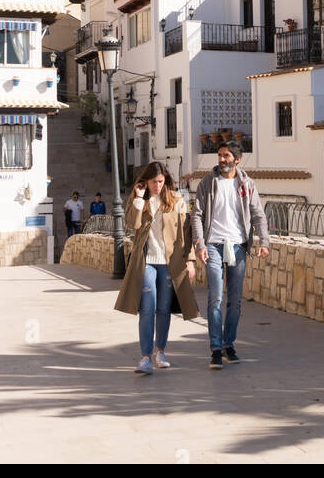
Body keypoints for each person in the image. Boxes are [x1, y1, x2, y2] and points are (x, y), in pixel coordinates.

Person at [114, 160, 199, 374]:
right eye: (153, 182)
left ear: (165, 180)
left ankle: (160, 351)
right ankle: (145, 357)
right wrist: (139, 198)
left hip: (170, 263)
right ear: (145, 181)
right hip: (146, 262)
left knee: (163, 309)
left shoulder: (178, 200)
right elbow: (131, 224)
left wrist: (190, 260)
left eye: (160, 182)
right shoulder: (139, 200)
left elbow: (186, 233)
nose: (157, 186)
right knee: (147, 308)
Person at [191, 139, 270, 369]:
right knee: (215, 296)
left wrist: (263, 241)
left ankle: (229, 344)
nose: (222, 159)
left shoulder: (247, 184)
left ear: (237, 159)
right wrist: (200, 244)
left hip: (238, 246)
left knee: (234, 301)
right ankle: (216, 349)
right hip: (213, 244)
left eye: (226, 156)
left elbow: (258, 215)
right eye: (220, 155)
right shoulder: (208, 182)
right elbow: (196, 215)